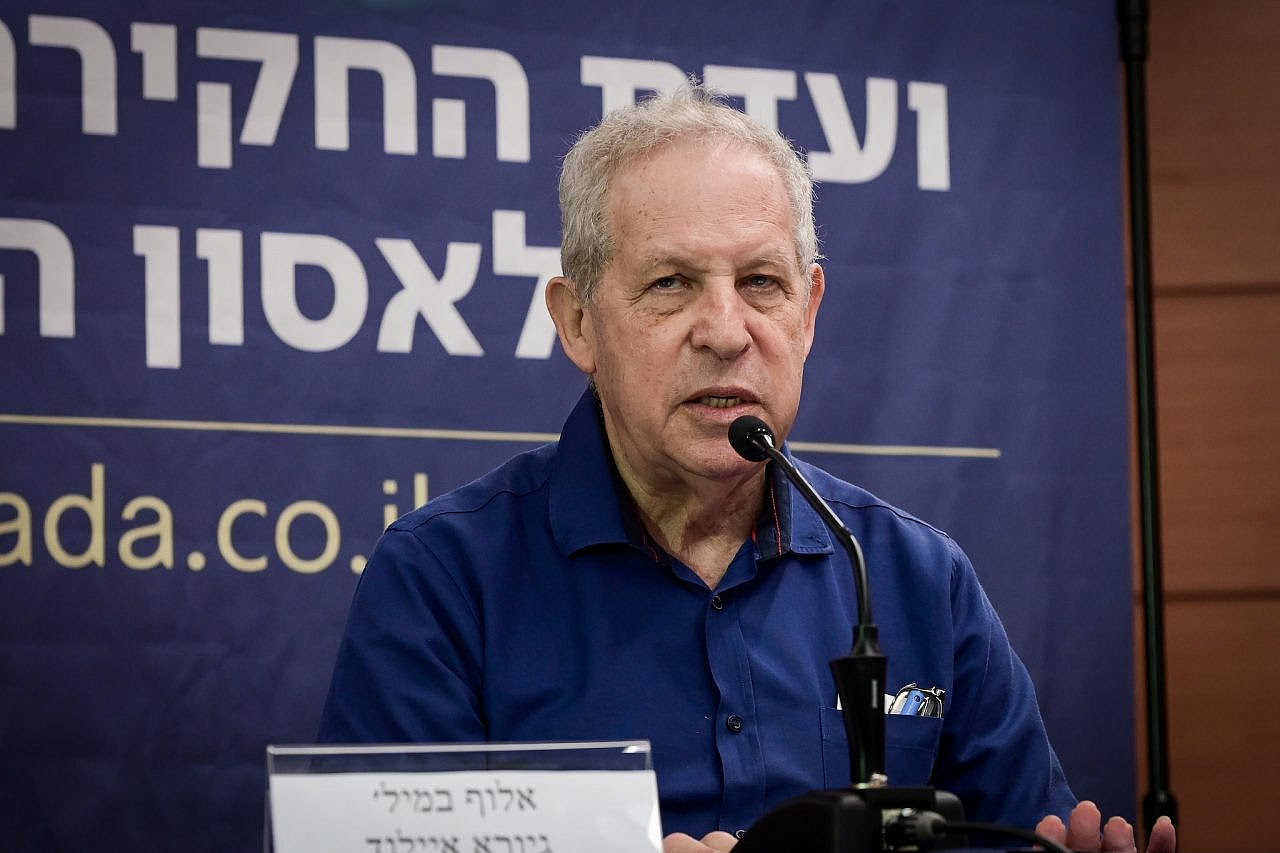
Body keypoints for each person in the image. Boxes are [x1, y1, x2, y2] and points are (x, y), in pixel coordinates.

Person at [318, 86, 1175, 853]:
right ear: (578, 322)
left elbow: (1021, 834)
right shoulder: (441, 579)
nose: (725, 330)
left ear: (808, 312)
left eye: (761, 282)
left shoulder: (917, 581)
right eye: (671, 283)